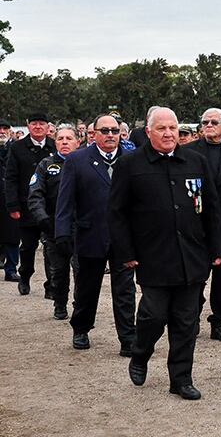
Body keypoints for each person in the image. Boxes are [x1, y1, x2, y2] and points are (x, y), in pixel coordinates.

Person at [110, 107, 221, 400]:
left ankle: (181, 378)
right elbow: (117, 213)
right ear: (148, 132)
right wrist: (126, 250)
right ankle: (140, 353)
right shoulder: (130, 164)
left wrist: (217, 246)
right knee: (153, 315)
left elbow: (211, 209)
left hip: (192, 255)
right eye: (161, 128)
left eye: (173, 128)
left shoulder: (196, 162)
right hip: (153, 255)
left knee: (187, 321)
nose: (169, 133)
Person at [55, 113, 137, 355]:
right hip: (90, 234)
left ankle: (127, 337)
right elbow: (65, 200)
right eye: (105, 131)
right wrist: (62, 233)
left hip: (124, 238)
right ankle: (81, 328)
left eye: (115, 131)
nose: (111, 135)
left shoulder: (132, 159)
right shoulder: (77, 160)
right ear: (93, 134)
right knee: (87, 287)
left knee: (125, 290)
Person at [184, 108, 221, 341]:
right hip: (197, 226)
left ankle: (219, 321)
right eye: (205, 122)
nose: (208, 125)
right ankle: (191, 318)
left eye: (214, 122)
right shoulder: (187, 152)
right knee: (196, 277)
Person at [28, 124, 81, 320]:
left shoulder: (86, 163)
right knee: (58, 272)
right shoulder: (45, 165)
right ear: (55, 142)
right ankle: (60, 303)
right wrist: (42, 219)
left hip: (82, 228)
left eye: (69, 138)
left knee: (81, 271)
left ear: (78, 141)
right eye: (60, 139)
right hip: (54, 228)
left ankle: (80, 306)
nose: (65, 142)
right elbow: (35, 195)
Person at [4, 113, 56, 296]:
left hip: (50, 208)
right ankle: (25, 276)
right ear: (28, 125)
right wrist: (13, 206)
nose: (38, 127)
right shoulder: (18, 147)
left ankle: (51, 285)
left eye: (42, 124)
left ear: (48, 126)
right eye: (34, 124)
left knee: (51, 248)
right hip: (27, 207)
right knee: (27, 247)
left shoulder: (54, 145)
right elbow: (10, 178)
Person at [0, 120, 20, 282]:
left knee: (13, 235)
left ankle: (11, 269)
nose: (1, 131)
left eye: (5, 128)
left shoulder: (16, 148)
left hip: (11, 198)